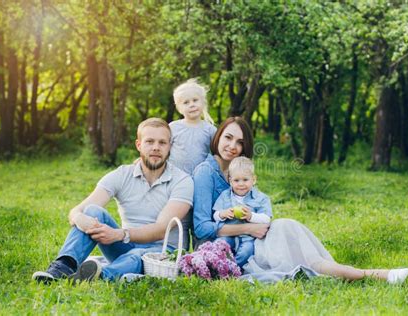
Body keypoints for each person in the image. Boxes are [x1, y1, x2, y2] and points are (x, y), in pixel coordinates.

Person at [192, 116, 408, 284]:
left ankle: (367, 273)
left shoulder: (239, 172)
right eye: (228, 137)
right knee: (298, 254)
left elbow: (259, 208)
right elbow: (202, 228)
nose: (232, 146)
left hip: (252, 235)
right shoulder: (206, 173)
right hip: (226, 247)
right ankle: (373, 275)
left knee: (288, 228)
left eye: (239, 142)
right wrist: (247, 228)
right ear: (218, 137)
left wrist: (255, 223)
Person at [32, 118, 194, 283]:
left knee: (136, 256)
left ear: (170, 147)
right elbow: (77, 210)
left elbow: (161, 229)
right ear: (139, 145)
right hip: (125, 245)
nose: (155, 148)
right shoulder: (122, 174)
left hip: (164, 253)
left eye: (162, 143)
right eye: (150, 141)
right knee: (93, 212)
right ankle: (62, 268)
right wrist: (80, 219)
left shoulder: (182, 181)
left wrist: (121, 234)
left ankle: (98, 276)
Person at [213, 157, 272, 268]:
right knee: (219, 244)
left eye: (245, 180)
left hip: (248, 237)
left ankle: (234, 269)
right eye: (236, 180)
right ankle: (219, 266)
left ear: (253, 180)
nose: (241, 184)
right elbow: (215, 215)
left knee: (247, 251)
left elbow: (266, 218)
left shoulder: (260, 198)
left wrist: (251, 216)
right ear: (230, 181)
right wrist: (223, 214)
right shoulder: (225, 196)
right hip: (229, 234)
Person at [168, 78, 217, 175]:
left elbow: (217, 154)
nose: (192, 105)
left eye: (195, 100)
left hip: (199, 176)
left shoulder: (210, 129)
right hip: (175, 176)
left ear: (202, 102)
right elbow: (163, 149)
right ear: (179, 108)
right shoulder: (173, 127)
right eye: (186, 102)